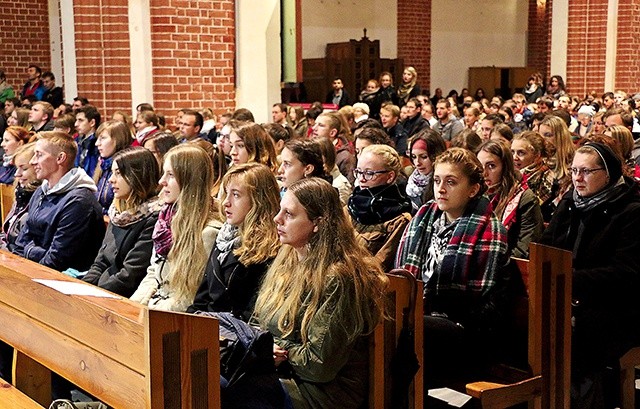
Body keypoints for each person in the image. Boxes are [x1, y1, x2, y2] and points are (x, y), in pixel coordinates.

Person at [253, 177, 388, 409]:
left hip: (323, 394)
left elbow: (318, 365)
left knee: (230, 392)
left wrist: (278, 351)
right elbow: (257, 321)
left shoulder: (339, 277)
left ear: (318, 223)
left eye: (289, 214)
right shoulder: (287, 259)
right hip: (286, 375)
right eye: (280, 210)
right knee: (212, 380)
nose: (277, 219)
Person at [395, 147, 510, 392]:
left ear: (473, 189)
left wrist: (422, 310)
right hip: (422, 313)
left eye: (451, 182)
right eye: (437, 180)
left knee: (403, 330)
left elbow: (480, 305)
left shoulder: (489, 229)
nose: (441, 188)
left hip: (467, 328)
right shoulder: (425, 216)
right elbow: (405, 273)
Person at [541, 142, 640, 408]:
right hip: (568, 297)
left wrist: (570, 279)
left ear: (608, 174)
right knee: (527, 328)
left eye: (586, 171)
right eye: (574, 170)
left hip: (615, 308)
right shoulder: (570, 202)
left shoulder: (631, 211)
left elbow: (626, 274)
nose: (577, 178)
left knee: (572, 341)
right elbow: (545, 246)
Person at [130, 145, 221, 312]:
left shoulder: (208, 233)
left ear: (189, 181)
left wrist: (147, 315)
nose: (161, 181)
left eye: (170, 175)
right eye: (164, 173)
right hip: (155, 307)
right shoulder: (165, 220)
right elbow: (154, 274)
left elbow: (187, 297)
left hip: (174, 319)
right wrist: (131, 308)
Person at [187, 163, 281, 320]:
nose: (225, 202)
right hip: (209, 328)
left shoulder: (270, 249)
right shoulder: (224, 237)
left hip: (236, 336)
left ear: (258, 200)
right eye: (226, 193)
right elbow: (201, 300)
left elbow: (251, 315)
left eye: (236, 195)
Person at [13, 131, 105, 271]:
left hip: (65, 281)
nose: (32, 161)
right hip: (33, 270)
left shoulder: (78, 202)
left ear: (60, 158)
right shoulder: (40, 191)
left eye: (39, 155)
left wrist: (29, 251)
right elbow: (20, 242)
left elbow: (56, 260)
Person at [82, 148, 161, 296]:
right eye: (112, 173)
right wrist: (83, 287)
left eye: (118, 173)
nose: (111, 179)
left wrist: (94, 294)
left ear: (137, 176)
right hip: (102, 289)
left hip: (123, 296)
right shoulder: (118, 212)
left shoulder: (153, 218)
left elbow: (130, 275)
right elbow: (100, 262)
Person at [348, 144, 411, 271]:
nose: (362, 179)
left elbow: (379, 265)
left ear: (390, 177)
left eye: (369, 173)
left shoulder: (399, 220)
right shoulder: (350, 206)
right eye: (359, 172)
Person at [477, 140, 543, 258]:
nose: (484, 173)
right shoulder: (473, 195)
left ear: (505, 168)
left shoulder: (526, 199)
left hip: (508, 268)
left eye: (491, 166)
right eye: (480, 166)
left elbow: (524, 251)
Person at [0, 143, 41, 251]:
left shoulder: (42, 200)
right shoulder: (21, 193)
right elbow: (7, 233)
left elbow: (24, 247)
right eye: (17, 168)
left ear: (38, 167)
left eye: (24, 168)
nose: (17, 174)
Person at [94, 120, 135, 214]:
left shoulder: (127, 166)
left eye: (102, 138)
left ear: (117, 140)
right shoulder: (102, 164)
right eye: (97, 139)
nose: (97, 143)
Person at [538, 115, 574, 218]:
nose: (542, 140)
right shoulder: (538, 161)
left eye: (548, 135)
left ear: (560, 137)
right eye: (540, 135)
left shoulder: (573, 163)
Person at [405, 129, 447, 213]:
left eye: (424, 157)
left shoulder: (443, 184)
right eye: (413, 157)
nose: (417, 163)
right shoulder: (411, 178)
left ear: (436, 155)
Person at [511, 131, 555, 209]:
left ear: (537, 155)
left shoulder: (547, 179)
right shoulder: (511, 177)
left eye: (521, 153)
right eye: (512, 152)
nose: (515, 157)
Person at [74, 104, 101, 177]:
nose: (76, 124)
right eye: (76, 120)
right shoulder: (76, 141)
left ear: (92, 122)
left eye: (81, 120)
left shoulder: (98, 144)